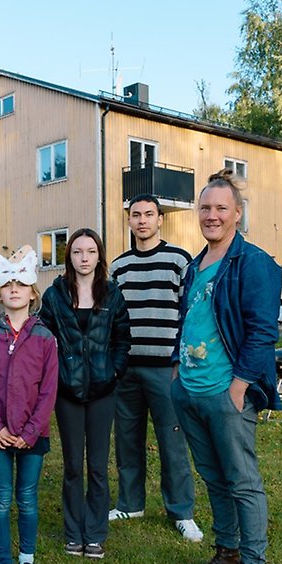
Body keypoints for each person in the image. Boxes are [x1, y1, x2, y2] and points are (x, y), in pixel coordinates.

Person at [171, 170, 282, 564]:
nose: (211, 215)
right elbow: (189, 320)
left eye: (221, 208)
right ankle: (228, 554)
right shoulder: (194, 266)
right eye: (205, 208)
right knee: (213, 477)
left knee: (242, 480)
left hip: (225, 392)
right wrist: (177, 372)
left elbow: (262, 331)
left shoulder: (253, 263)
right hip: (190, 390)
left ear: (237, 213)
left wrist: (239, 386)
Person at [110, 193, 203, 541]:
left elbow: (190, 313)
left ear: (160, 219)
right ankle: (130, 503)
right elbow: (113, 318)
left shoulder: (179, 260)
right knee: (127, 439)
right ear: (129, 220)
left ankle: (181, 511)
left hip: (166, 368)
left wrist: (181, 362)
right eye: (136, 215)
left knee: (172, 440)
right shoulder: (119, 267)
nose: (142, 220)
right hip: (128, 368)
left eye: (149, 214)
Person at [40, 228, 131, 559]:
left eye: (90, 252)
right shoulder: (55, 295)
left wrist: (114, 370)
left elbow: (122, 339)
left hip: (103, 390)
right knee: (73, 465)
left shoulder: (112, 294)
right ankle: (73, 531)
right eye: (77, 252)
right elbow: (43, 338)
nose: (84, 258)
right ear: (69, 257)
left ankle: (94, 533)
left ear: (99, 256)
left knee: (97, 465)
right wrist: (55, 375)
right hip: (67, 391)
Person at [0, 247, 58, 564]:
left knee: (27, 498)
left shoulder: (45, 337)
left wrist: (31, 431)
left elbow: (49, 390)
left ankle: (26, 561)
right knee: (1, 497)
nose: (14, 290)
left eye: (21, 285)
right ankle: (4, 563)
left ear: (32, 293)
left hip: (31, 435)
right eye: (7, 285)